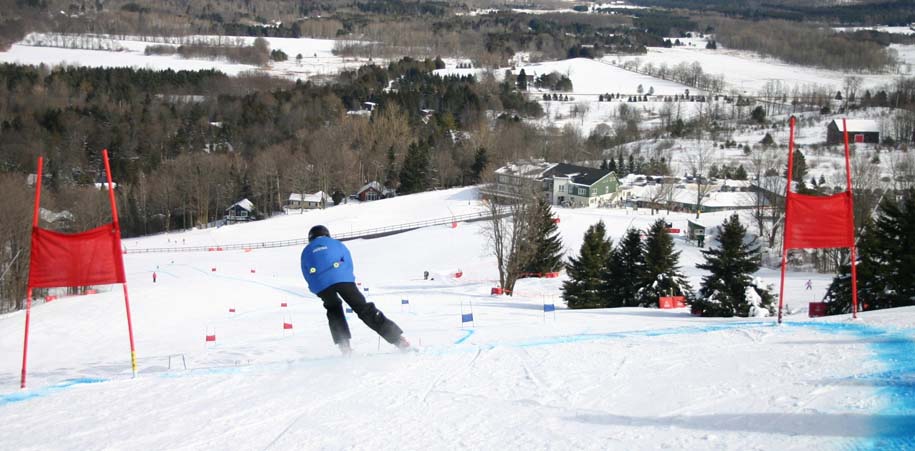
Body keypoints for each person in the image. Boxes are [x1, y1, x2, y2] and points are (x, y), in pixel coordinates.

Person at [301, 225, 410, 355]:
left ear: (311, 238)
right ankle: (398, 339)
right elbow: (348, 262)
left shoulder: (306, 250)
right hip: (344, 280)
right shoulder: (336, 244)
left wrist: (316, 289)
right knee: (364, 309)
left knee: (333, 309)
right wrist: (348, 279)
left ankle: (344, 345)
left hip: (322, 286)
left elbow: (306, 272)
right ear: (326, 234)